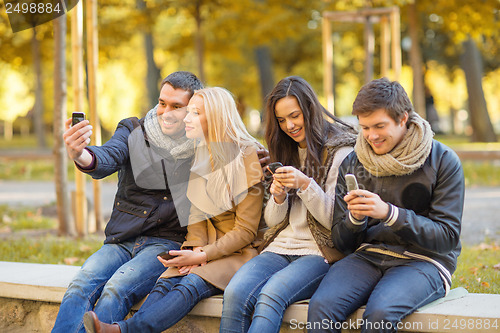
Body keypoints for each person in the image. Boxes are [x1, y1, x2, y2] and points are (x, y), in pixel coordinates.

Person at [82, 86, 265, 333]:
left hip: (238, 252)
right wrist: (192, 251)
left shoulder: (247, 157)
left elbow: (245, 231)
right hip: (203, 247)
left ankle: (121, 331)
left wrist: (203, 257)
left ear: (216, 118)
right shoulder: (198, 155)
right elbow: (196, 219)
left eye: (194, 113)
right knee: (165, 281)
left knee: (190, 284)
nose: (185, 119)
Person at [308, 77, 464, 332]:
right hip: (368, 256)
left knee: (379, 313)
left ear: (403, 118)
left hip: (425, 260)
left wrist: (390, 214)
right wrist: (354, 220)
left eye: (379, 126)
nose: (371, 136)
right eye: (365, 128)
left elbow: (446, 237)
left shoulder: (443, 160)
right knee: (321, 307)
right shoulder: (354, 162)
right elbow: (342, 242)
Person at [52, 71, 204, 333]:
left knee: (115, 289)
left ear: (193, 109)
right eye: (162, 103)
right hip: (123, 237)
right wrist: (81, 154)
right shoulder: (134, 129)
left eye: (177, 107)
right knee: (80, 284)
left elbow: (235, 148)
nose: (165, 112)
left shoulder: (203, 142)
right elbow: (108, 156)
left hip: (166, 241)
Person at [219, 76, 357, 333]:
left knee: (270, 296)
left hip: (320, 252)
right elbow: (274, 222)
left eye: (294, 116)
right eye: (281, 120)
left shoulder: (341, 152)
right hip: (280, 246)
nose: (289, 126)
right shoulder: (287, 149)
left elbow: (336, 222)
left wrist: (306, 185)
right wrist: (279, 196)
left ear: (310, 109)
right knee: (236, 293)